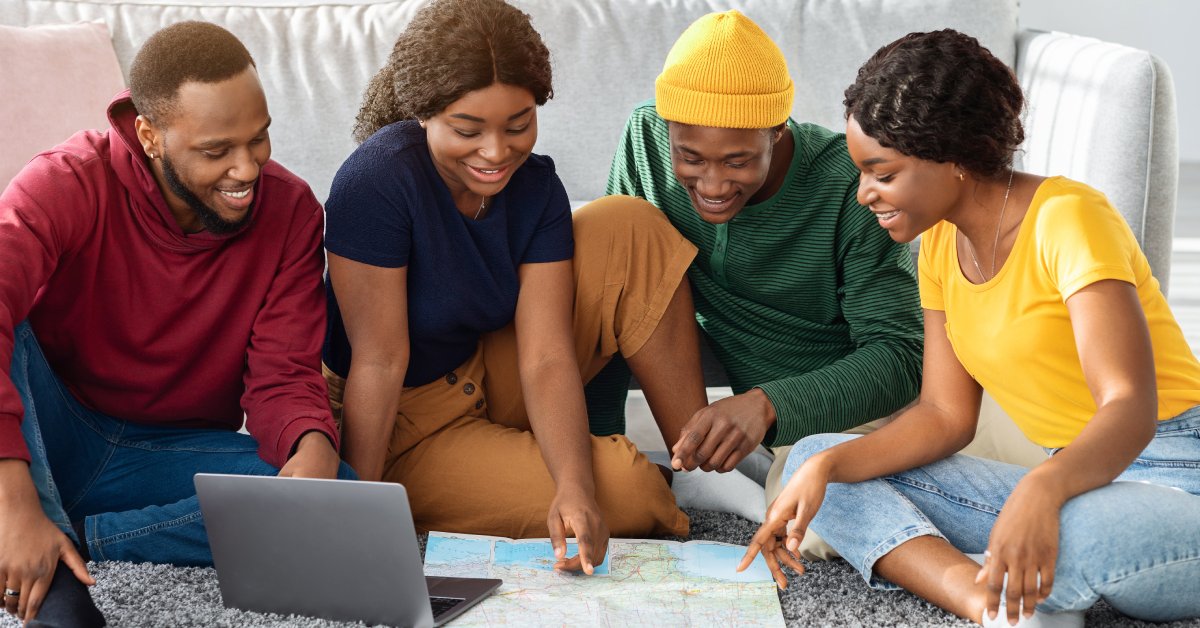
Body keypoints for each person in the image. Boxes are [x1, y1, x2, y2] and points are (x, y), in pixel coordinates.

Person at [741, 29, 1200, 627]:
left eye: (881, 172)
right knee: (816, 460)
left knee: (1073, 533)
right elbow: (943, 416)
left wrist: (1042, 490)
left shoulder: (1069, 219)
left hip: (1175, 480)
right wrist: (829, 467)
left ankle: (1022, 579)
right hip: (1072, 478)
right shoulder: (937, 248)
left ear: (951, 157)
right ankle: (985, 601)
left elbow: (1130, 406)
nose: (863, 195)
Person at [322, 0, 704, 574]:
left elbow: (547, 358)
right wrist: (358, 513)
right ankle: (445, 483)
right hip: (397, 419)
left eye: (518, 125)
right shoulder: (376, 182)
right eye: (467, 130)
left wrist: (572, 485)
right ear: (423, 112)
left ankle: (701, 464)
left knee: (628, 225)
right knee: (631, 494)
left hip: (483, 369)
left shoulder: (534, 187)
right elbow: (379, 363)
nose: (497, 153)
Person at [0, 22, 356, 626]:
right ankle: (47, 568)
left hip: (165, 452)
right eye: (217, 151)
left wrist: (310, 445)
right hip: (52, 426)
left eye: (259, 139)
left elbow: (283, 372)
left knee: (342, 501)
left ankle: (80, 537)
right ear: (150, 135)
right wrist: (12, 501)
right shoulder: (66, 182)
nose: (247, 169)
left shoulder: (292, 212)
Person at [604, 10, 923, 528]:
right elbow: (614, 290)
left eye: (737, 161)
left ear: (777, 132)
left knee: (815, 516)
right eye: (690, 157)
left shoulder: (848, 184)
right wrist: (602, 449)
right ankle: (704, 467)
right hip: (735, 411)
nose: (711, 185)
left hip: (852, 413)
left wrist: (768, 405)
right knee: (611, 225)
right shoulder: (643, 139)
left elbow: (902, 356)